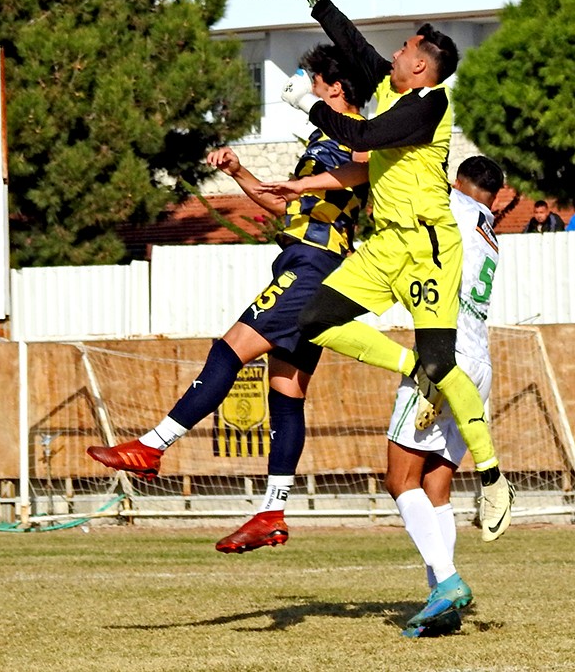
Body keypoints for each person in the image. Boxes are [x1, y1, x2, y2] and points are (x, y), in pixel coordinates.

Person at [85, 44, 371, 554]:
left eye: (312, 78)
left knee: (229, 349)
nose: (305, 87)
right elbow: (282, 201)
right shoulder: (325, 139)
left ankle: (152, 447)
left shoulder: (358, 135)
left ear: (334, 85)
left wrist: (302, 180)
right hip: (310, 264)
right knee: (285, 391)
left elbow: (366, 167)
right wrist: (240, 173)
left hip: (313, 264)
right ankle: (272, 510)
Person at [272, 0, 515, 541]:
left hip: (431, 249)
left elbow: (361, 136)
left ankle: (493, 475)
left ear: (423, 66)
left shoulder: (429, 106)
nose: (396, 54)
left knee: (441, 364)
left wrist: (307, 105)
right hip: (386, 246)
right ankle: (411, 365)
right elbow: (353, 46)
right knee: (315, 319)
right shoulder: (392, 82)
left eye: (406, 49)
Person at [383, 156, 504, 638]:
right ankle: (443, 599)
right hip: (480, 365)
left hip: (443, 357)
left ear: (457, 184)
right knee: (436, 487)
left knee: (399, 479)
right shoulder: (491, 230)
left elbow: (405, 165)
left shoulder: (451, 204)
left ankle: (448, 581)